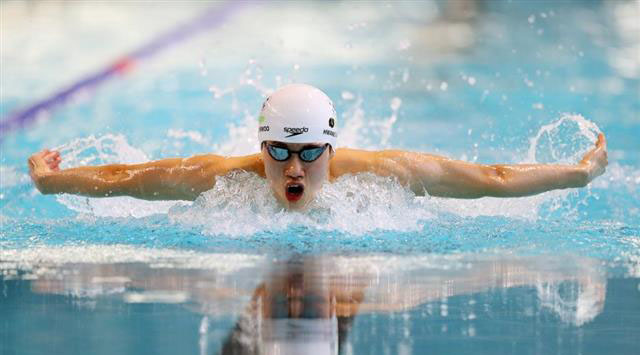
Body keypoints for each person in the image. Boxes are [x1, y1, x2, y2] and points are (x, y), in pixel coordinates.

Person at [28, 84, 608, 210]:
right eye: (278, 151)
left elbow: (494, 179)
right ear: (261, 148)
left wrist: (577, 174)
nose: (293, 167)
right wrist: (52, 180)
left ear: (333, 149)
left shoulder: (387, 173)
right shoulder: (223, 177)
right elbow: (127, 179)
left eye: (309, 152)